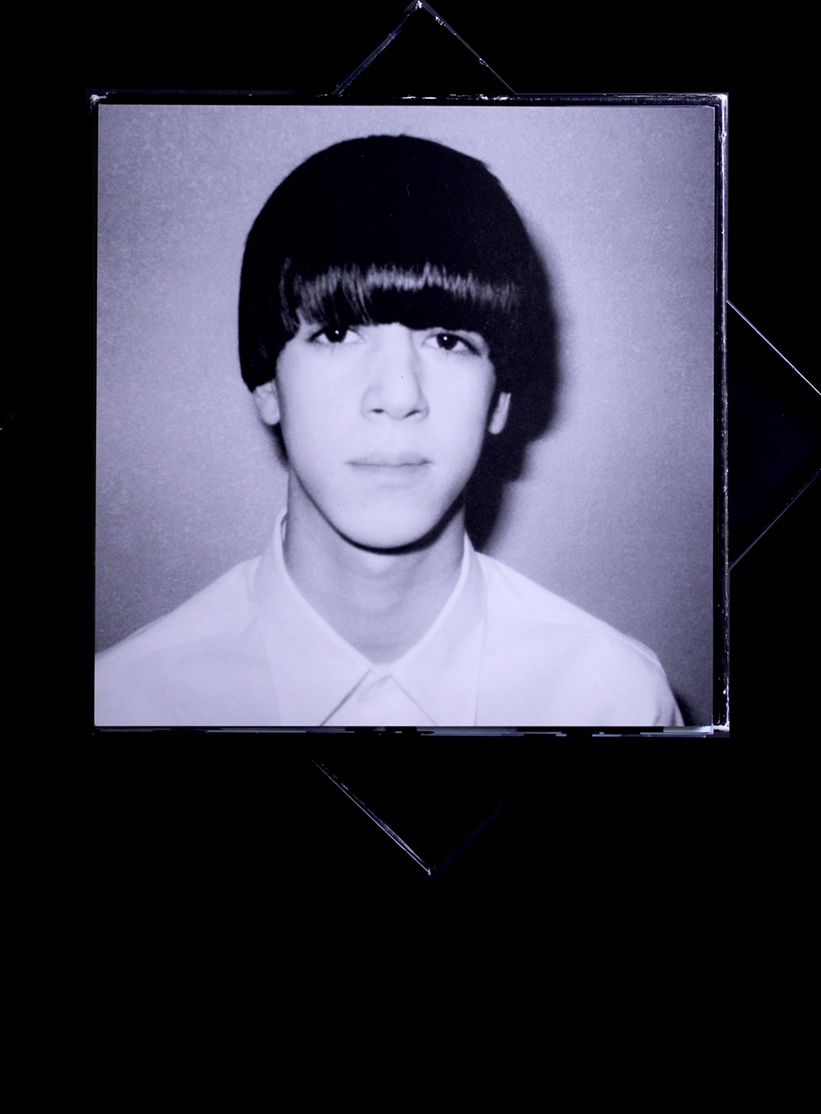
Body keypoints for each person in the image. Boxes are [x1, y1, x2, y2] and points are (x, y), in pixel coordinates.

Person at [95, 134, 683, 728]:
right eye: (337, 333)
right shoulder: (123, 706)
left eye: (448, 341)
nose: (398, 396)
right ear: (267, 382)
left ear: (499, 398)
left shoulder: (616, 699)